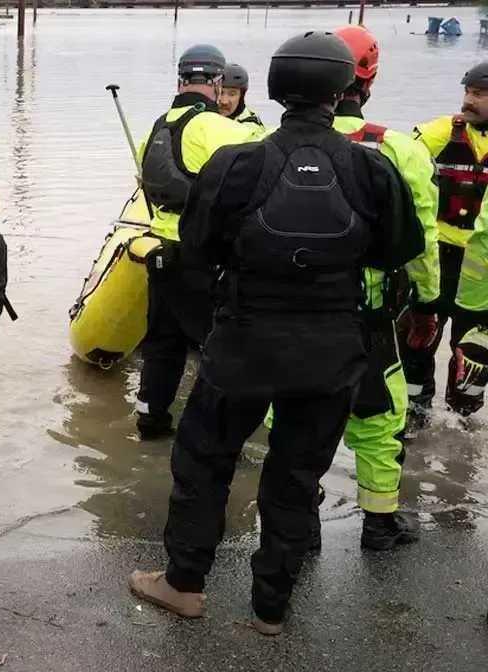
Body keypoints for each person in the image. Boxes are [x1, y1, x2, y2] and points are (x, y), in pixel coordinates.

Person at [129, 31, 424, 635]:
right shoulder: (370, 165)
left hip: (245, 342)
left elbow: (199, 246)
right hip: (333, 348)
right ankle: (271, 606)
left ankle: (184, 583)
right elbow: (400, 248)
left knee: (205, 460)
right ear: (343, 89)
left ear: (272, 87)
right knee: (296, 473)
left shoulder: (238, 161)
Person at [319, 24, 441, 549]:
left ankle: (295, 520)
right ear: (367, 81)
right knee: (380, 415)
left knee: (291, 415)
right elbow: (422, 240)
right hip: (367, 314)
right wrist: (428, 304)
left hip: (294, 312)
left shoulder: (266, 145)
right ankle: (379, 521)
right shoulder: (399, 149)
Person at [135, 45, 265, 440]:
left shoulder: (156, 127)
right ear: (216, 82)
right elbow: (265, 160)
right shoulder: (215, 128)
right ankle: (210, 434)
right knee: (218, 346)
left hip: (160, 255)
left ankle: (150, 419)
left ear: (180, 81)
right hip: (202, 259)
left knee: (162, 343)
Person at [404, 63, 488, 428]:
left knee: (474, 363)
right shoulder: (440, 133)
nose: (469, 100)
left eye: (480, 95)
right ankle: (412, 417)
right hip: (437, 259)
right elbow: (400, 168)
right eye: (468, 91)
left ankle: (461, 444)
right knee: (416, 342)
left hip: (482, 277)